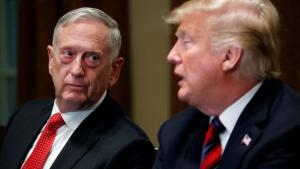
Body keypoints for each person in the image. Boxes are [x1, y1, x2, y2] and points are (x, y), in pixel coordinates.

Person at [0, 7, 155, 169]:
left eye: (93, 58)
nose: (76, 70)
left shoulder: (130, 148)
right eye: (68, 54)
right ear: (51, 60)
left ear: (114, 71)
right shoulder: (24, 115)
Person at [153, 0, 300, 169]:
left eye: (186, 42)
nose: (171, 55)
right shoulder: (175, 133)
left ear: (229, 56)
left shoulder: (289, 130)